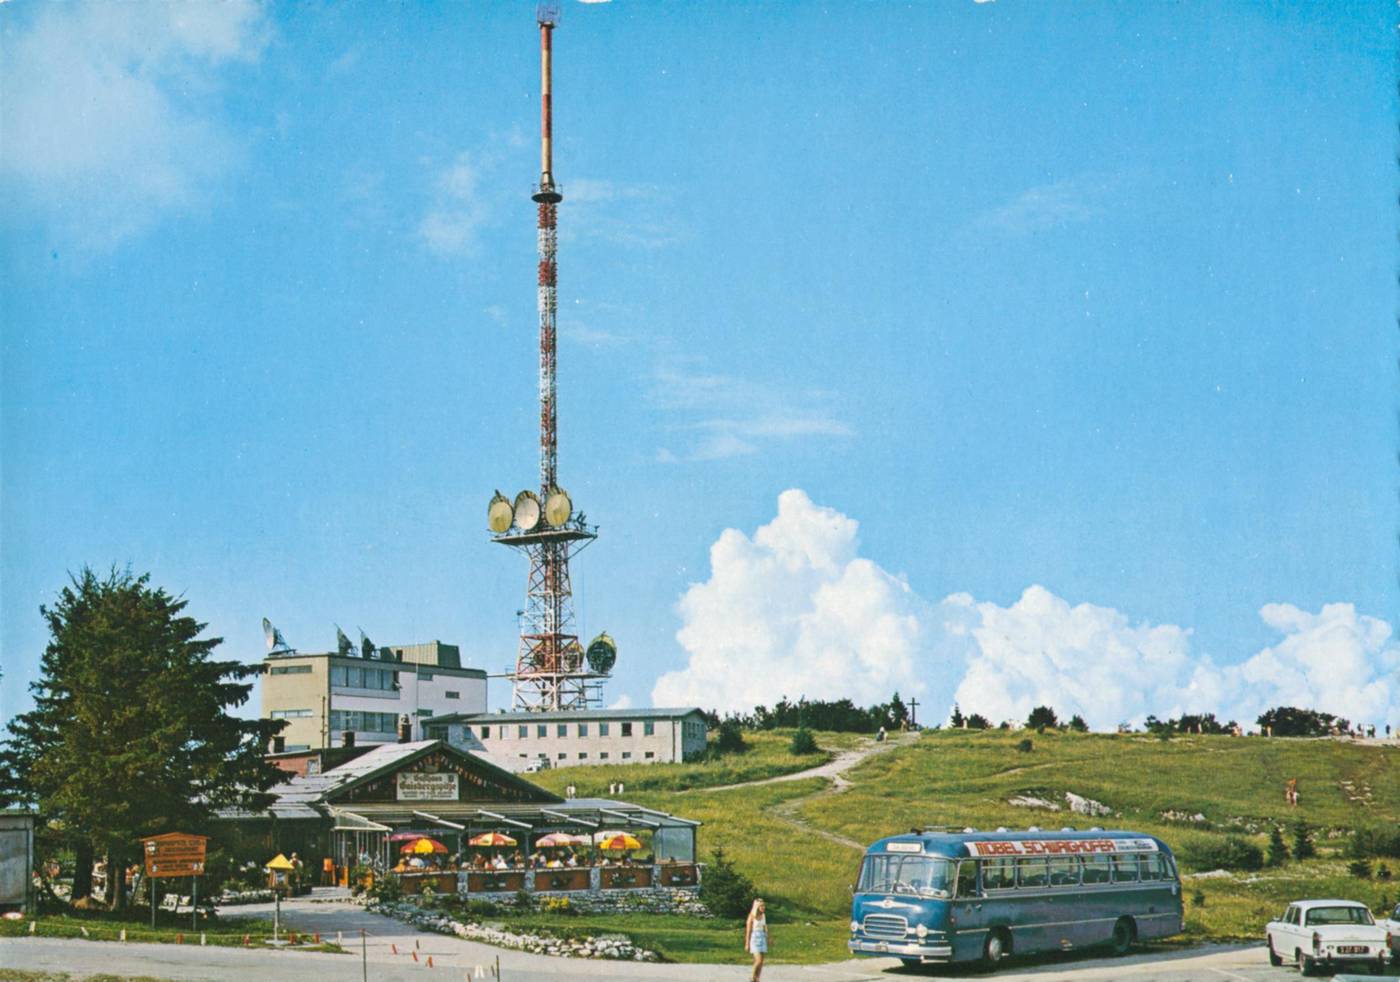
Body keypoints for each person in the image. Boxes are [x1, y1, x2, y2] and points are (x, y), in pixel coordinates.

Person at [745, 897, 768, 981]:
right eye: (761, 906)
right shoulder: (751, 916)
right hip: (755, 938)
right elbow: (748, 930)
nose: (763, 907)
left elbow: (765, 927)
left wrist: (768, 937)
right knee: (758, 960)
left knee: (761, 962)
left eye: (764, 906)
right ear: (757, 907)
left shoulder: (763, 915)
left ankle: (757, 979)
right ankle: (752, 977)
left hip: (762, 937)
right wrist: (747, 943)